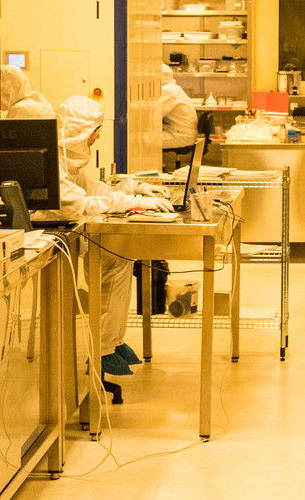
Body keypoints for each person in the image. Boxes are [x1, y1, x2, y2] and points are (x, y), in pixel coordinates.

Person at [51, 95, 175, 376]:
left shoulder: (68, 161)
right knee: (110, 260)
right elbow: (77, 204)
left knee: (122, 257)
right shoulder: (55, 163)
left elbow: (93, 190)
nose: (96, 139)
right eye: (94, 133)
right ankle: (102, 348)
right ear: (78, 132)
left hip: (78, 230)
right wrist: (132, 202)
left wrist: (135, 190)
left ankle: (113, 340)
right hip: (62, 236)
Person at [160, 65, 201, 159]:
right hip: (184, 134)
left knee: (141, 141)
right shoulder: (174, 88)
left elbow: (154, 114)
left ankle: (154, 167)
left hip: (180, 136)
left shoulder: (167, 90)